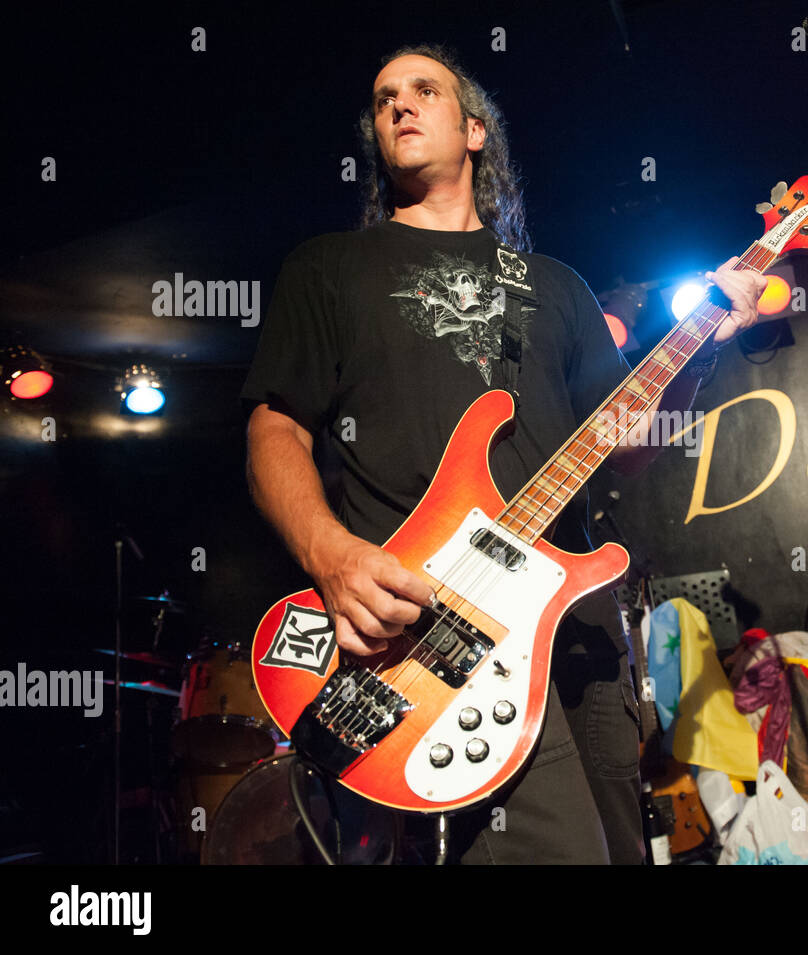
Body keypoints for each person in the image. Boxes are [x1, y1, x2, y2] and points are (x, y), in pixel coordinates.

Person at [240, 43, 765, 864]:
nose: (399, 107)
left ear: (475, 130)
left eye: (423, 90)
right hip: (433, 635)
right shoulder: (330, 269)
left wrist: (699, 348)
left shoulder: (555, 286)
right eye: (383, 100)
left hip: (579, 627)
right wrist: (328, 552)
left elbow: (624, 449)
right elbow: (275, 431)